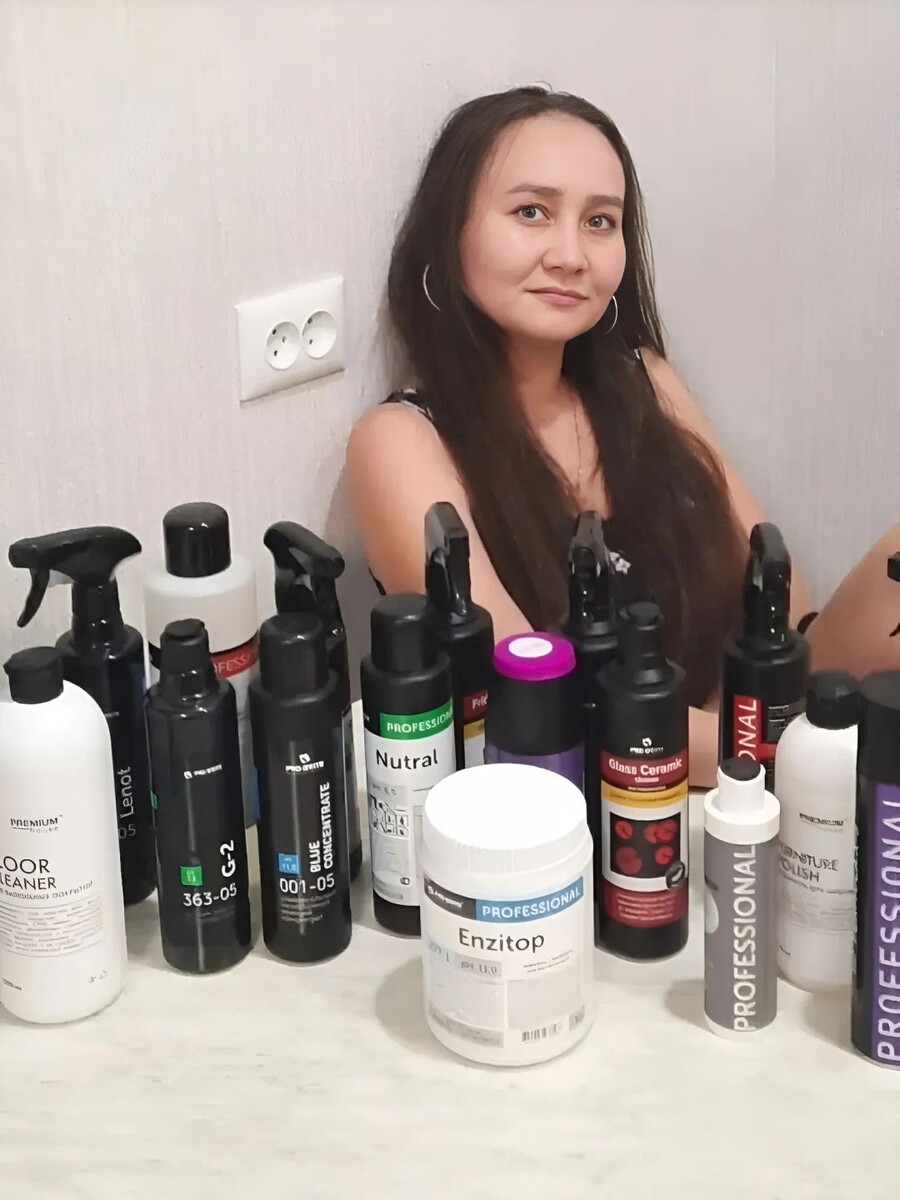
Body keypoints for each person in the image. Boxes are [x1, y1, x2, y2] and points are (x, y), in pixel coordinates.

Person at [346, 86, 899, 787]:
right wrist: (785, 750)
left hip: (751, 754)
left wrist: (785, 734)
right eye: (531, 212)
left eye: (600, 221)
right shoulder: (401, 440)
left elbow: (782, 607)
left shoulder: (646, 382)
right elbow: (542, 699)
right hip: (605, 783)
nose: (571, 255)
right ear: (447, 234)